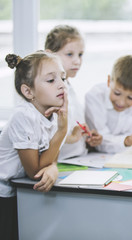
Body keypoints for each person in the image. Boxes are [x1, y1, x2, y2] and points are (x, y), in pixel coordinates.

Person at [0, 52, 68, 240]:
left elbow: (50, 157)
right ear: (28, 92)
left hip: (20, 190)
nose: (62, 84)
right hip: (3, 194)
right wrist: (62, 131)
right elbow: (35, 170)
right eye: (51, 80)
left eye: (63, 78)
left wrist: (53, 167)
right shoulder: (23, 116)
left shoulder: (51, 115)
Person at [45, 25, 102, 160]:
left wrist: (87, 136)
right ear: (49, 55)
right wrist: (73, 137)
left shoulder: (69, 86)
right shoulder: (48, 92)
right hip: (59, 162)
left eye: (80, 55)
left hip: (78, 157)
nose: (77, 61)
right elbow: (47, 135)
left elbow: (73, 125)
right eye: (69, 54)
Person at [85, 55, 132, 153]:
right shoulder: (95, 97)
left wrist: (129, 139)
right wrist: (125, 140)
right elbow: (100, 140)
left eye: (131, 97)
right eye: (117, 93)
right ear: (109, 81)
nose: (121, 102)